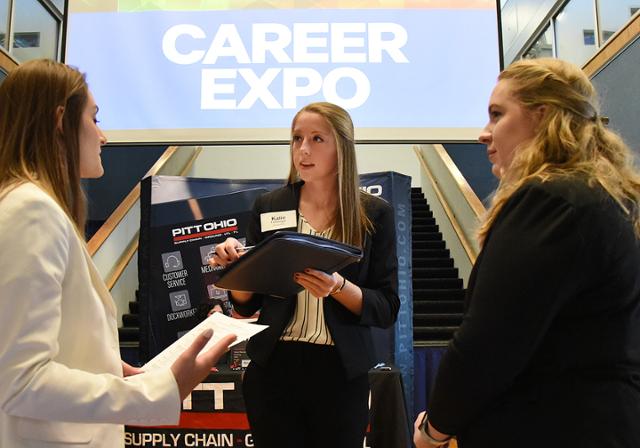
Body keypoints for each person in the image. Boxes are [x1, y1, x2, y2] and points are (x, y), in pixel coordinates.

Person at [0, 59, 236, 448]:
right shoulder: (31, 211)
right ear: (62, 120)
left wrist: (110, 370)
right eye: (94, 118)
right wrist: (157, 392)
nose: (103, 136)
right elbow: (20, 380)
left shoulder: (33, 207)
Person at [413, 57, 640, 448]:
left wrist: (434, 429)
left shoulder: (550, 201)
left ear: (542, 116)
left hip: (550, 426)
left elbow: (488, 343)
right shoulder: (605, 199)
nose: (484, 134)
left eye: (497, 115)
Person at [211, 102, 400, 448]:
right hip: (274, 369)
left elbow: (386, 307)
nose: (304, 150)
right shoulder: (269, 206)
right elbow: (246, 305)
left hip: (340, 373)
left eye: (317, 139)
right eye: (297, 138)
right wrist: (235, 273)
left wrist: (338, 287)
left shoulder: (374, 214)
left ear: (342, 147)